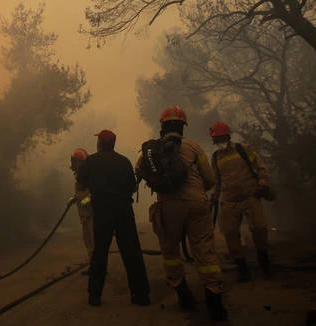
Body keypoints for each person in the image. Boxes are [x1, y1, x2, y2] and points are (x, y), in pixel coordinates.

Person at [136, 106, 227, 321]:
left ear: (162, 126)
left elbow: (140, 171)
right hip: (196, 204)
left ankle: (183, 294)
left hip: (168, 207)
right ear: (182, 127)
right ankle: (214, 299)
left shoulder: (152, 150)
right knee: (204, 251)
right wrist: (197, 191)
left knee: (170, 253)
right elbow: (211, 179)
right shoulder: (194, 147)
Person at [76, 130, 150, 307]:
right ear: (113, 144)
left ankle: (95, 296)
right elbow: (132, 188)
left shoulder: (91, 161)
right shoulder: (124, 161)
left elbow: (80, 185)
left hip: (102, 212)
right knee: (132, 253)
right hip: (123, 211)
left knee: (99, 254)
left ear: (99, 143)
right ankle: (141, 296)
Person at [209, 121, 275, 281]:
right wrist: (214, 195)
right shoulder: (216, 157)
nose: (219, 141)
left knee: (260, 229)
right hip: (229, 202)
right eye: (216, 139)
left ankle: (265, 265)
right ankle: (243, 270)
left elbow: (261, 167)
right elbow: (216, 180)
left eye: (221, 137)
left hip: (251, 196)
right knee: (230, 234)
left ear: (228, 136)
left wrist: (263, 185)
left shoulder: (243, 149)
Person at [70, 148, 93, 275]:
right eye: (74, 161)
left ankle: (98, 268)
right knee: (87, 241)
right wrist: (74, 198)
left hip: (92, 214)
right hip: (84, 215)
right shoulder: (79, 176)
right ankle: (92, 265)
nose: (75, 164)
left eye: (77, 161)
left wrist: (86, 200)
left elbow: (94, 191)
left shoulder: (90, 174)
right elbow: (80, 191)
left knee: (94, 241)